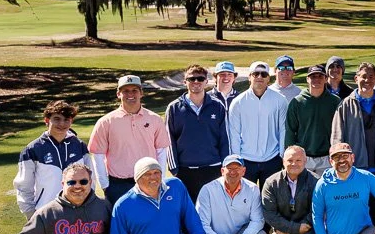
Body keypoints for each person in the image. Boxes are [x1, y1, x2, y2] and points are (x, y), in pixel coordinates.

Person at [12, 99, 90, 234]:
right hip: (44, 212)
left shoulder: (78, 146)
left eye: (66, 119)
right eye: (57, 119)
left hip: (74, 210)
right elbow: (24, 184)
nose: (62, 124)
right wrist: (30, 212)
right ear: (47, 120)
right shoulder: (33, 149)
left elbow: (88, 178)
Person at [88, 75, 170, 206]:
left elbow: (161, 152)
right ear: (118, 94)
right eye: (125, 91)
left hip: (149, 180)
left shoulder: (155, 119)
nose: (130, 94)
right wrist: (105, 185)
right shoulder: (106, 122)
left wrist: (161, 180)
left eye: (134, 90)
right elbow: (98, 155)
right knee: (120, 224)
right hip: (118, 184)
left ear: (141, 93)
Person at [331, 61, 375, 188]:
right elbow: (337, 139)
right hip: (354, 169)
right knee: (356, 207)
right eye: (363, 76)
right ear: (356, 78)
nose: (367, 80)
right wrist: (341, 164)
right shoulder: (345, 105)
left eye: (371, 77)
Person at [165, 64, 231, 200]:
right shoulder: (174, 108)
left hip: (213, 168)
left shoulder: (217, 106)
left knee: (212, 212)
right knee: (187, 214)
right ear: (185, 82)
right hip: (185, 170)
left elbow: (225, 139)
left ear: (206, 82)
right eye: (191, 79)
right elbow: (168, 140)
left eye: (200, 79)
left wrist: (224, 166)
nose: (196, 82)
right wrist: (175, 169)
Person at [262, 145, 321, 234]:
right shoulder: (271, 183)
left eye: (298, 160)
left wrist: (302, 226)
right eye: (290, 160)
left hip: (307, 230)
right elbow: (269, 214)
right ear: (283, 161)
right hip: (283, 233)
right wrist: (293, 229)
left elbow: (317, 210)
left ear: (305, 161)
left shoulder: (315, 181)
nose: (294, 163)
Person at [226, 61, 287, 184]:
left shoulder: (280, 100)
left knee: (270, 200)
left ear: (268, 78)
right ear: (249, 77)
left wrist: (281, 156)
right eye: (256, 74)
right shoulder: (238, 102)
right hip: (246, 160)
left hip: (272, 159)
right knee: (246, 199)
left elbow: (283, 129)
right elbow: (234, 133)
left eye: (263, 74)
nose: (259, 77)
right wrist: (238, 160)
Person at [285, 64, 341, 175]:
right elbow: (290, 131)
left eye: (320, 76)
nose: (316, 79)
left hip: (327, 158)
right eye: (313, 77)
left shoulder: (335, 102)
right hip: (304, 157)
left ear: (326, 79)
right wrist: (290, 156)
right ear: (307, 79)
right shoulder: (297, 102)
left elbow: (340, 130)